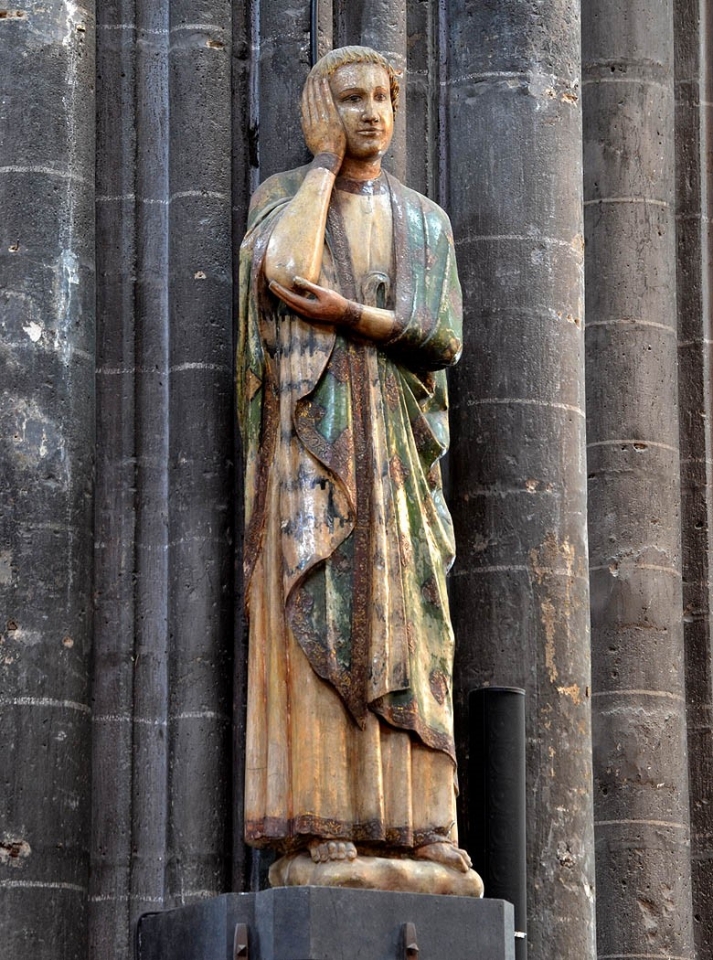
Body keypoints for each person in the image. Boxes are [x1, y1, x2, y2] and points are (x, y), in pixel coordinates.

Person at [237, 45, 470, 880]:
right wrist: (322, 167)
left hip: (397, 455)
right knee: (320, 607)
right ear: (320, 111)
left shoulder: (424, 220)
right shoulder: (285, 201)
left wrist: (351, 316)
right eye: (349, 100)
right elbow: (286, 273)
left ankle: (420, 822)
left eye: (382, 99)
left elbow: (441, 336)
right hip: (312, 444)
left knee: (408, 623)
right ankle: (321, 812)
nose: (372, 113)